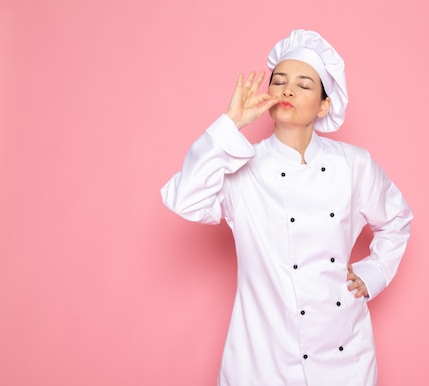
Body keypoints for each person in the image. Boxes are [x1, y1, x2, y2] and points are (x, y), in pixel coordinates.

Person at [161, 29, 413, 386]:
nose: (287, 90)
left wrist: (374, 273)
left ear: (325, 105)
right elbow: (184, 199)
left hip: (343, 351)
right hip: (263, 356)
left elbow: (398, 219)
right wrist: (230, 125)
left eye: (304, 84)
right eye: (278, 81)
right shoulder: (241, 166)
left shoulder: (354, 165)